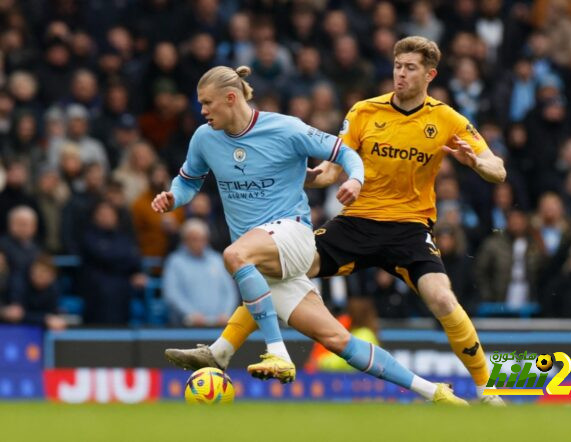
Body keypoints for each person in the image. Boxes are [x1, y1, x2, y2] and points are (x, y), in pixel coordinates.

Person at [169, 37, 507, 404]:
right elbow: (331, 170)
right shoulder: (364, 111)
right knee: (274, 265)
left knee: (441, 298)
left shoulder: (447, 119)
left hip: (410, 227)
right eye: (398, 66)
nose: (401, 74)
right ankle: (222, 350)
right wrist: (301, 174)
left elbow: (498, 170)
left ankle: (488, 388)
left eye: (410, 68)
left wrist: (476, 163)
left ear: (430, 74)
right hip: (356, 221)